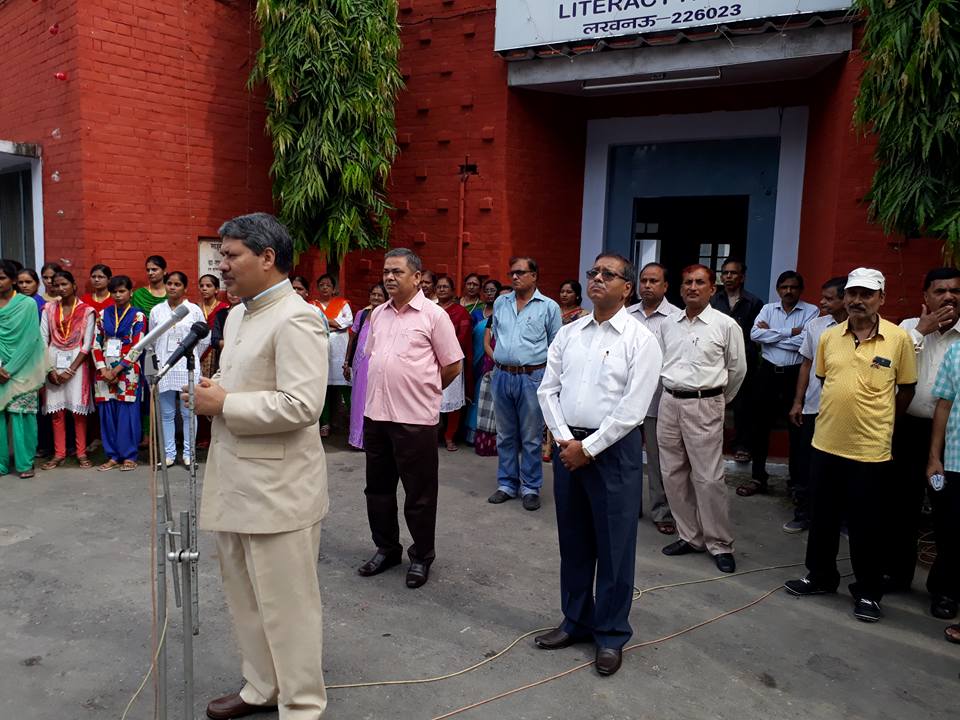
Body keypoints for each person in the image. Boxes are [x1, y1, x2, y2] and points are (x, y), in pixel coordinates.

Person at [190, 213, 329, 720]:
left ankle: (302, 705)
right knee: (245, 598)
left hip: (278, 488)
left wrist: (225, 404)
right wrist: (217, 393)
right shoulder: (238, 316)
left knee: (287, 606)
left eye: (231, 255)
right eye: (221, 255)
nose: (221, 266)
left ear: (267, 258)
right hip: (236, 479)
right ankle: (261, 686)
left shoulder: (297, 317)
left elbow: (302, 404)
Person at [536, 253, 661, 677]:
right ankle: (575, 620)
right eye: (593, 272)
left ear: (627, 288)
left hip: (613, 450)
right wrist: (564, 438)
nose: (597, 278)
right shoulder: (569, 333)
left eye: (608, 274)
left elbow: (633, 408)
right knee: (573, 540)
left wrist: (588, 448)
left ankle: (610, 633)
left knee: (614, 545)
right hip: (569, 445)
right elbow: (548, 390)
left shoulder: (640, 339)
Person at [785, 268, 917, 623]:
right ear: (845, 298)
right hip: (826, 442)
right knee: (822, 517)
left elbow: (906, 388)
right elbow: (825, 379)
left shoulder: (898, 338)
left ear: (881, 299)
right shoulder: (829, 337)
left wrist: (884, 421)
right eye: (853, 293)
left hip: (870, 449)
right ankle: (820, 576)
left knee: (866, 525)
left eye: (867, 294)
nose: (858, 300)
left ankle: (868, 591)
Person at [358, 248, 463, 589]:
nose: (389, 277)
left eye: (397, 272)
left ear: (417, 277)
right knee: (378, 489)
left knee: (419, 494)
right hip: (376, 415)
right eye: (386, 271)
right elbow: (374, 357)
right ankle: (386, 549)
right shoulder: (378, 314)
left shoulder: (434, 315)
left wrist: (425, 390)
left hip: (415, 420)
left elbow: (452, 365)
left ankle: (421, 556)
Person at [658, 264, 746, 573]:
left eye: (699, 282)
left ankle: (719, 543)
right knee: (672, 472)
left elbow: (737, 370)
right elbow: (660, 361)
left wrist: (716, 400)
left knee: (708, 478)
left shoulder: (725, 325)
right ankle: (689, 536)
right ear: (680, 289)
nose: (692, 287)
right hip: (669, 401)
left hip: (705, 402)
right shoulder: (668, 324)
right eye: (687, 283)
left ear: (712, 289)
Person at [887, 268, 960, 607]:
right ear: (926, 297)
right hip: (908, 429)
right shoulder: (906, 329)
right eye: (940, 291)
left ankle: (944, 588)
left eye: (955, 291)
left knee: (948, 513)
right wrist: (921, 331)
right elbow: (887, 369)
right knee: (901, 505)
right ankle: (896, 573)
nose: (949, 297)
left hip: (951, 436)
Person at [487, 257, 561, 511]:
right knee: (505, 435)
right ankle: (507, 484)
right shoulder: (501, 302)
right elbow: (497, 334)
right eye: (512, 273)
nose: (515, 277)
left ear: (534, 275)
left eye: (520, 272)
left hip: (532, 377)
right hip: (502, 375)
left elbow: (555, 345)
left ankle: (530, 487)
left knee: (530, 437)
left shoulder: (548, 307)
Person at [740, 271, 819, 497]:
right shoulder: (767, 309)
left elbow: (804, 342)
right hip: (767, 373)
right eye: (784, 287)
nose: (788, 291)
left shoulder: (811, 311)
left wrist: (771, 335)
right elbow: (755, 335)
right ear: (778, 289)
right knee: (760, 426)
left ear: (800, 290)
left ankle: (795, 482)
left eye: (793, 287)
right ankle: (758, 477)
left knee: (797, 428)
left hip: (795, 375)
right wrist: (790, 332)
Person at [786, 277, 848, 533]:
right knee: (807, 463)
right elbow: (806, 364)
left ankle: (841, 519)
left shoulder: (862, 329)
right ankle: (804, 513)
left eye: (829, 298)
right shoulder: (816, 326)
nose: (822, 303)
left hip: (846, 411)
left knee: (842, 465)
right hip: (814, 406)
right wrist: (797, 401)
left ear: (846, 299)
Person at [626, 262, 678, 534]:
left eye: (653, 281)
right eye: (643, 280)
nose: (646, 285)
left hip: (659, 402)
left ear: (665, 286)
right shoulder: (626, 315)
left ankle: (662, 511)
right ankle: (630, 507)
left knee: (659, 462)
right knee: (627, 459)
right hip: (627, 401)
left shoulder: (676, 318)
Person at [149, 271, 207, 467]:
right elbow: (152, 339)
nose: (172, 287)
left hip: (186, 366)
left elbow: (203, 339)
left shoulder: (193, 310)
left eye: (177, 284)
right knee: (166, 413)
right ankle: (169, 454)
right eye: (170, 283)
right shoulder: (157, 311)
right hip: (164, 366)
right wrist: (159, 360)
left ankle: (189, 454)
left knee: (188, 412)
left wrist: (192, 356)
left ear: (185, 288)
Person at [39, 270, 96, 470]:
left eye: (64, 284)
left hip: (77, 364)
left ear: (74, 285)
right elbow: (42, 340)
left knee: (78, 412)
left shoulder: (87, 311)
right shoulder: (48, 309)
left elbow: (87, 345)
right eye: (57, 285)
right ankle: (59, 453)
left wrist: (70, 371)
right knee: (57, 412)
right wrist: (50, 370)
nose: (61, 288)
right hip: (53, 361)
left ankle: (81, 452)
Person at [710, 258, 763, 463]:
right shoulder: (714, 300)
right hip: (716, 360)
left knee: (743, 405)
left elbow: (758, 333)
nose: (728, 276)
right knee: (714, 403)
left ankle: (742, 445)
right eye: (725, 273)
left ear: (742, 277)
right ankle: (715, 443)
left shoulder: (753, 302)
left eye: (733, 273)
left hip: (743, 360)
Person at [91, 275, 145, 471]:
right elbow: (95, 344)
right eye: (114, 292)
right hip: (104, 371)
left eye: (122, 291)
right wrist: (103, 369)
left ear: (131, 292)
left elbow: (138, 346)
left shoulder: (138, 316)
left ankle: (129, 455)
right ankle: (112, 456)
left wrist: (118, 369)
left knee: (127, 413)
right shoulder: (102, 314)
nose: (118, 295)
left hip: (128, 371)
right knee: (107, 413)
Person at [0, 260, 47, 479]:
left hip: (23, 369)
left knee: (23, 416)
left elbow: (30, 340)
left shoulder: (27, 304)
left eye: (2, 278)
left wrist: (9, 369)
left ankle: (25, 463)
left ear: (12, 280)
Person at [926, 340, 960, 642]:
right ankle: (945, 592)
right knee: (951, 531)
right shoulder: (955, 351)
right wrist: (934, 457)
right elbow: (945, 404)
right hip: (955, 459)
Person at [344, 283, 387, 450]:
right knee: (358, 401)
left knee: (373, 402)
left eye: (380, 295)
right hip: (360, 364)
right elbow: (352, 339)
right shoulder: (362, 314)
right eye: (373, 294)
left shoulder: (388, 316)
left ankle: (370, 440)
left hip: (376, 365)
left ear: (386, 298)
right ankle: (356, 439)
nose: (376, 298)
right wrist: (346, 362)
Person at [436, 274, 472, 451]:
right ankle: (433, 434)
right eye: (439, 287)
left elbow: (463, 338)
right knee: (431, 398)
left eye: (445, 287)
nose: (442, 289)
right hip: (431, 361)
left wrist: (446, 352)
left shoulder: (460, 312)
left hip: (453, 359)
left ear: (452, 291)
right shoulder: (430, 309)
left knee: (452, 401)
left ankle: (450, 436)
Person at [313, 273, 352, 437]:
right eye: (321, 285)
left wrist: (325, 322)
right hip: (320, 349)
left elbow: (348, 321)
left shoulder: (343, 304)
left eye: (328, 285)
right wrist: (335, 323)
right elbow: (312, 322)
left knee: (345, 385)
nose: (325, 288)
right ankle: (324, 423)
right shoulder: (312, 305)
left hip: (340, 350)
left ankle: (354, 422)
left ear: (333, 288)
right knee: (323, 389)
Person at [465, 279, 501, 443]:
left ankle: (486, 434)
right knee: (475, 395)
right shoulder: (477, 313)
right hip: (476, 359)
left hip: (492, 361)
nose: (489, 294)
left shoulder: (502, 314)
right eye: (486, 290)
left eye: (493, 290)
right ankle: (471, 433)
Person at [131, 255, 168, 319]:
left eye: (154, 269)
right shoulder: (139, 294)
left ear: (164, 271)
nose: (150, 273)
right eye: (148, 270)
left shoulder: (171, 292)